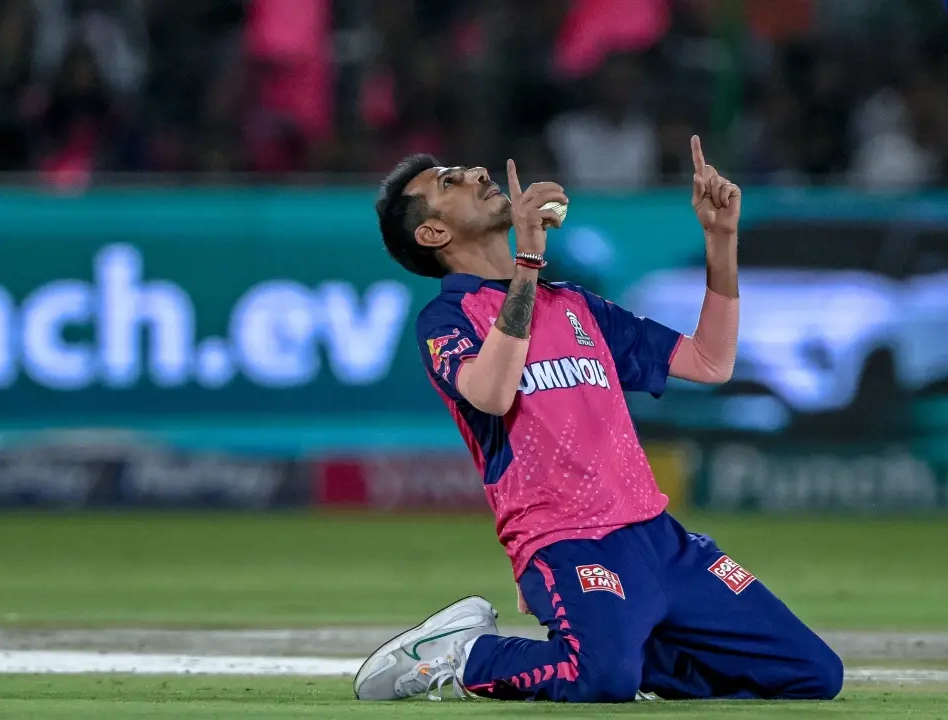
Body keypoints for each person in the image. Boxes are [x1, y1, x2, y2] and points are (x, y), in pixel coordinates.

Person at [355, 137, 844, 703]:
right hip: (567, 542)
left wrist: (720, 240)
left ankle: (635, 654)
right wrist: (527, 263)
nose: (475, 174)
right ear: (433, 233)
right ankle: (467, 655)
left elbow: (711, 361)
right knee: (600, 680)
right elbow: (490, 394)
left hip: (660, 540)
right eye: (450, 181)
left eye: (465, 170)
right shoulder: (446, 318)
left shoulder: (574, 305)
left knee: (813, 674)